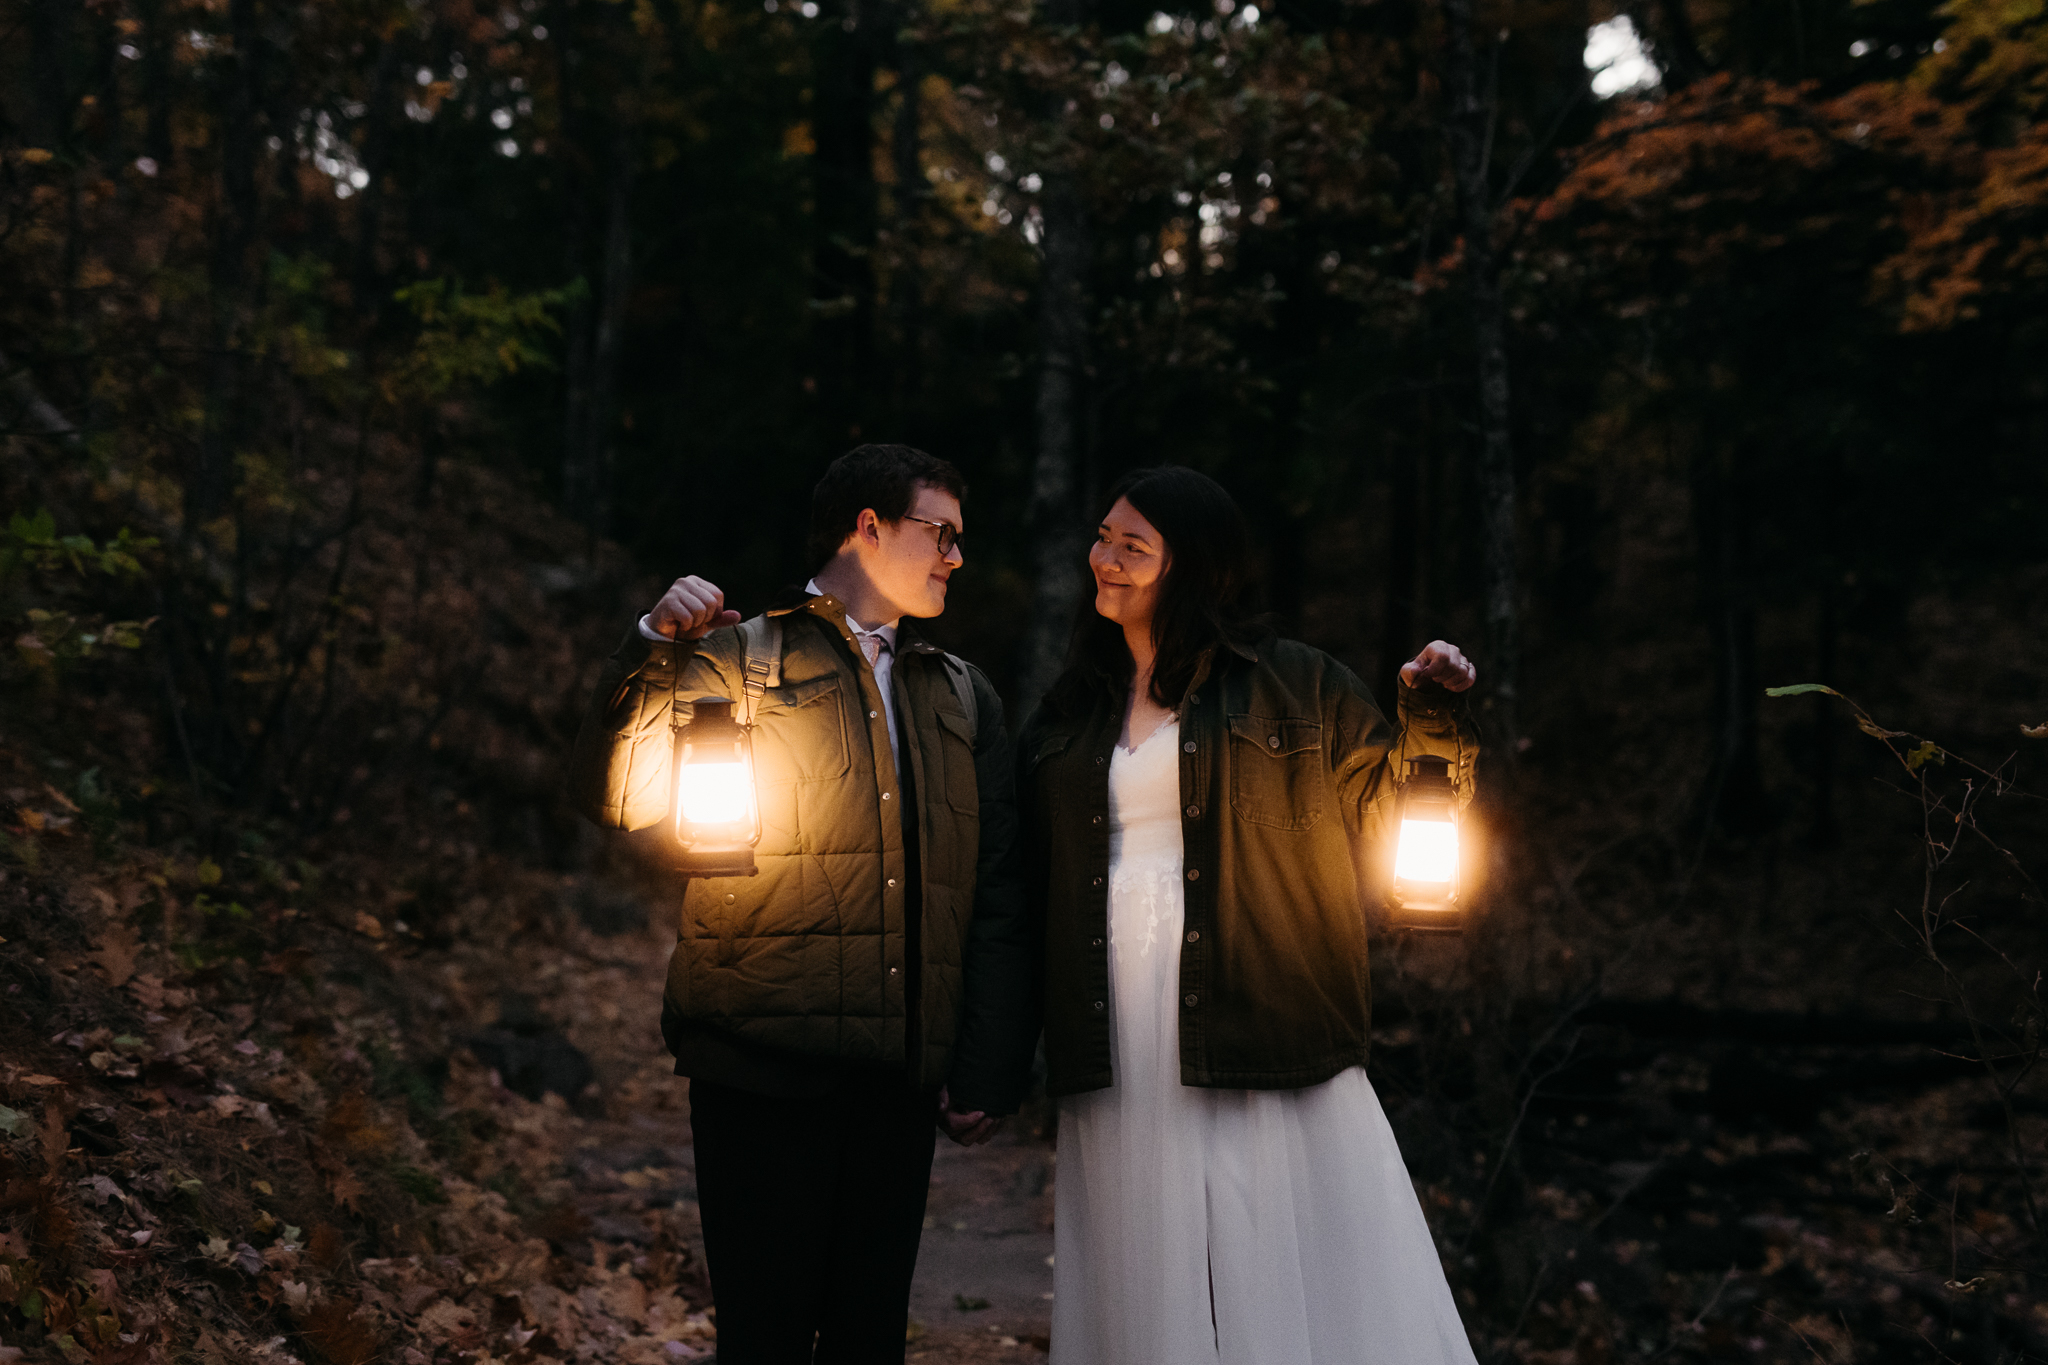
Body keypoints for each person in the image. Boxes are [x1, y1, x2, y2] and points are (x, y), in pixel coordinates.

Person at [569, 444, 1038, 1365]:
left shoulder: (959, 694)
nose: (955, 557)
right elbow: (614, 796)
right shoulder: (733, 660)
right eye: (940, 533)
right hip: (759, 1070)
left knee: (869, 1340)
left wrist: (981, 1059)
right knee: (766, 1336)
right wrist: (654, 648)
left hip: (896, 1082)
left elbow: (996, 885)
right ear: (868, 528)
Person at [1016, 465, 1482, 1365]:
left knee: (1280, 1235)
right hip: (1114, 1024)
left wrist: (1429, 717)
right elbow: (1020, 878)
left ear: (1193, 568)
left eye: (1132, 546)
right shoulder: (1073, 705)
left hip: (1258, 1002)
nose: (1102, 559)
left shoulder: (1296, 684)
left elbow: (1396, 813)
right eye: (1103, 537)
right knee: (1140, 1251)